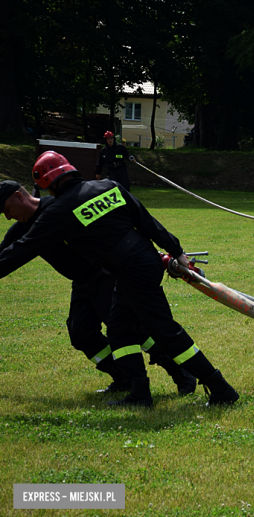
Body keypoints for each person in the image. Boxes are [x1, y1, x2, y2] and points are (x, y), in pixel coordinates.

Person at [0, 152, 239, 407]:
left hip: (128, 269)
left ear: (48, 183)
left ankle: (219, 387)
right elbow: (146, 221)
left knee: (165, 332)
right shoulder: (109, 187)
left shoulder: (59, 210)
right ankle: (139, 394)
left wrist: (176, 254)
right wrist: (176, 252)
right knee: (119, 330)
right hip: (141, 261)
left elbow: (21, 250)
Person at [0, 180, 197, 396]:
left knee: (132, 332)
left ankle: (180, 372)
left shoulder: (58, 209)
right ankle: (122, 377)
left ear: (19, 197)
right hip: (82, 282)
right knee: (81, 333)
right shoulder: (21, 228)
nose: (7, 216)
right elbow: (6, 255)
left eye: (6, 209)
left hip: (103, 276)